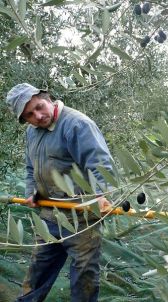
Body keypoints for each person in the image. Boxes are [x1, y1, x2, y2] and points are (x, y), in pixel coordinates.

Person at [5, 83, 114, 302]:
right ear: (25, 120)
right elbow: (30, 168)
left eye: (39, 107)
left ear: (47, 97)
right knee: (38, 271)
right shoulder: (32, 133)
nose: (38, 116)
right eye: (30, 115)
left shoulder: (77, 124)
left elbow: (101, 164)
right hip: (49, 216)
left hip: (81, 218)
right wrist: (32, 192)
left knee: (84, 275)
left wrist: (102, 195)